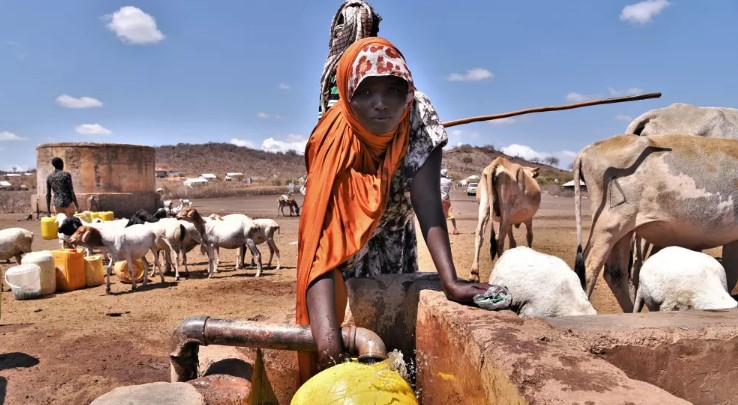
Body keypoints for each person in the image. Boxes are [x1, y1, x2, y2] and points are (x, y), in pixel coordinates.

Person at [296, 36, 492, 384]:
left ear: (408, 92)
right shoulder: (334, 140)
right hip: (343, 249)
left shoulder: (418, 114)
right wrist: (329, 354)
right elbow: (320, 252)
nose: (381, 104)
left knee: (396, 336)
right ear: (347, 95)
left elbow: (428, 200)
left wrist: (450, 282)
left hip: (393, 235)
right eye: (366, 92)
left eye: (392, 90)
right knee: (333, 342)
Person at [440, 168, 459, 235]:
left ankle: (442, 230)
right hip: (447, 199)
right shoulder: (449, 181)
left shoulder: (438, 181)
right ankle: (455, 228)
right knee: (450, 214)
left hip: (440, 199)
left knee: (441, 215)